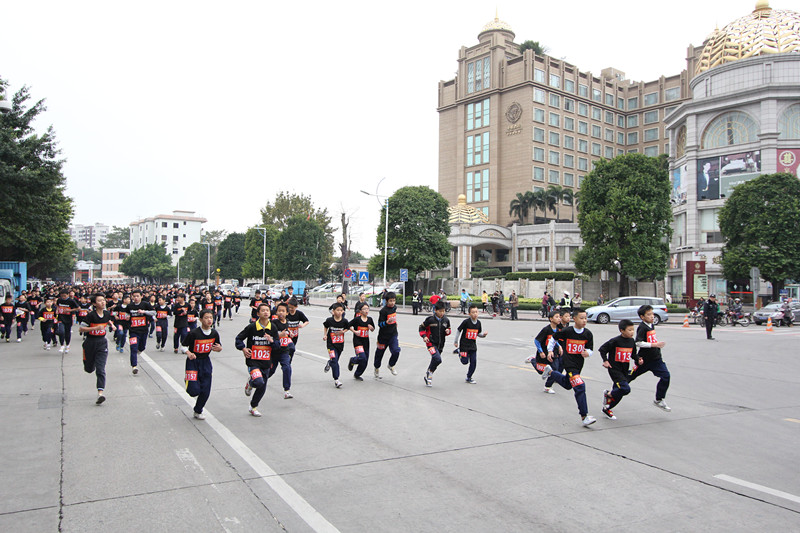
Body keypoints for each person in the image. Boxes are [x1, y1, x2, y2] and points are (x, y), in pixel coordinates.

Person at [544, 309, 597, 426]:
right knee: (580, 386)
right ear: (575, 319)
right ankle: (584, 416)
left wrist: (588, 353)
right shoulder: (567, 331)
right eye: (581, 318)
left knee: (568, 384)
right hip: (569, 364)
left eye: (585, 318)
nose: (584, 320)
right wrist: (549, 351)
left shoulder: (588, 334)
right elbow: (553, 338)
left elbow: (590, 349)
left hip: (578, 365)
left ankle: (550, 373)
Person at [235, 303, 276, 417]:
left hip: (266, 362)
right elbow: (239, 338)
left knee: (262, 386)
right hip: (253, 361)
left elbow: (277, 345)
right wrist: (243, 348)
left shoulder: (272, 327)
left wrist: (271, 341)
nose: (266, 312)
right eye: (263, 310)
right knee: (258, 381)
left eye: (267, 310)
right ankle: (251, 382)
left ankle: (253, 406)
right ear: (258, 313)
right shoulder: (252, 327)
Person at [628, 304, 672, 412]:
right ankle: (612, 392)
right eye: (649, 314)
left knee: (666, 376)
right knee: (629, 377)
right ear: (642, 317)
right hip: (644, 360)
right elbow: (638, 342)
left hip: (656, 359)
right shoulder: (642, 327)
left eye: (652, 314)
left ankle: (659, 399)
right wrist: (654, 345)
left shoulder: (651, 325)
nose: (652, 316)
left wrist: (656, 345)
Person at [181, 310, 222, 420]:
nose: (209, 320)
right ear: (200, 320)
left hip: (205, 362)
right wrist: (189, 353)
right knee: (193, 391)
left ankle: (198, 410)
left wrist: (219, 349)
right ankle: (189, 381)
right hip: (193, 362)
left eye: (211, 317)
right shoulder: (194, 333)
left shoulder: (214, 333)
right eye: (206, 318)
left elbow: (218, 346)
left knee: (206, 390)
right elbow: (183, 346)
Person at [78, 293, 115, 405]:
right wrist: (95, 328)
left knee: (101, 369)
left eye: (103, 300)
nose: (103, 302)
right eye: (99, 301)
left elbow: (108, 320)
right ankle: (91, 364)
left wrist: (111, 325)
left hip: (102, 343)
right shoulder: (90, 316)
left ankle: (100, 393)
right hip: (90, 343)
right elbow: (81, 329)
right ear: (94, 303)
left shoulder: (107, 314)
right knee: (89, 369)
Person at [598, 319, 637, 420]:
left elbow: (633, 354)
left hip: (624, 369)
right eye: (629, 330)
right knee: (625, 389)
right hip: (614, 369)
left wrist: (638, 360)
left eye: (633, 330)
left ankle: (608, 408)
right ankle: (609, 394)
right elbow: (602, 349)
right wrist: (605, 360)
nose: (632, 332)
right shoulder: (615, 341)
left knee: (619, 391)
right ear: (622, 330)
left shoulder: (632, 341)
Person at [526, 310, 562, 393]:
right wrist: (541, 351)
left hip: (553, 353)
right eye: (556, 317)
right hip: (544, 354)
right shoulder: (546, 330)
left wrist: (559, 346)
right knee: (540, 371)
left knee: (555, 369)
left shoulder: (558, 330)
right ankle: (532, 360)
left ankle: (547, 386)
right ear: (551, 319)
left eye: (559, 317)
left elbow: (555, 341)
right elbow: (537, 341)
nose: (559, 319)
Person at [420, 301, 451, 387]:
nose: (442, 313)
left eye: (443, 311)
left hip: (440, 344)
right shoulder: (430, 320)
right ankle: (429, 374)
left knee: (435, 360)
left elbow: (448, 329)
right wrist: (424, 336)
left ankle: (429, 374)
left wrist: (448, 331)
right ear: (435, 310)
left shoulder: (446, 320)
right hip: (431, 343)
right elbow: (421, 327)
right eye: (440, 311)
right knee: (437, 359)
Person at [268, 302, 296, 399]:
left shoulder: (286, 322)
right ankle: (255, 380)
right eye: (279, 311)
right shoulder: (273, 324)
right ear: (276, 312)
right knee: (270, 371)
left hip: (284, 350)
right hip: (274, 351)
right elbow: (269, 336)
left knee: (287, 368)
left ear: (287, 313)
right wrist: (280, 335)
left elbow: (286, 330)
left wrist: (289, 333)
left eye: (283, 311)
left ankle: (287, 390)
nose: (281, 313)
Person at [455, 304, 487, 384]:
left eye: (476, 312)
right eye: (473, 312)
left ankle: (469, 377)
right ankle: (459, 352)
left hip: (472, 346)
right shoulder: (466, 322)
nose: (475, 314)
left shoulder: (478, 323)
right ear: (469, 314)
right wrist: (456, 341)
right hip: (464, 345)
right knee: (465, 362)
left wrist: (483, 335)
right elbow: (458, 330)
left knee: (474, 362)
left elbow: (478, 334)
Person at [374, 291, 401, 378]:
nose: (392, 303)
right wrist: (386, 322)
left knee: (396, 350)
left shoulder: (394, 308)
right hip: (383, 337)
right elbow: (379, 324)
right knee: (379, 354)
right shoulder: (383, 311)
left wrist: (395, 322)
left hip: (393, 334)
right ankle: (376, 368)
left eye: (394, 300)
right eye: (390, 301)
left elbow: (394, 317)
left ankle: (391, 365)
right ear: (386, 301)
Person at [128, 290, 155, 375]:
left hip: (143, 331)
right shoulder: (130, 306)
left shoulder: (145, 304)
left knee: (142, 347)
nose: (136, 298)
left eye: (137, 296)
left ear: (141, 296)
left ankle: (139, 350)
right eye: (134, 296)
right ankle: (134, 366)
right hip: (133, 331)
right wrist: (127, 317)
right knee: (133, 348)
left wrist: (144, 312)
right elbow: (125, 314)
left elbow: (154, 312)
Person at [323, 302, 349, 388]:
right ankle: (336, 379)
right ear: (333, 311)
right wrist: (325, 335)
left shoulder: (344, 321)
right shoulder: (329, 320)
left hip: (340, 344)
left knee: (335, 360)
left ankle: (329, 362)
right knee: (334, 360)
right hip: (331, 344)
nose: (339, 312)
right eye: (337, 310)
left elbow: (347, 328)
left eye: (341, 310)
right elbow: (325, 326)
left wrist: (343, 332)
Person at [348, 302, 374, 381]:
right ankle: (353, 360)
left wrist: (371, 328)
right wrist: (354, 331)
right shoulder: (357, 319)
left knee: (365, 361)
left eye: (367, 308)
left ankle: (357, 374)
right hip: (357, 341)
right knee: (362, 357)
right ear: (360, 311)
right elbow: (348, 325)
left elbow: (373, 329)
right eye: (364, 309)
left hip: (366, 342)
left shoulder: (370, 319)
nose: (366, 310)